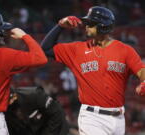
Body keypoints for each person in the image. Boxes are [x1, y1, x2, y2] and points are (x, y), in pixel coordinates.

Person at [41, 6, 145, 135]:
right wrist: (60, 26)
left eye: (90, 23)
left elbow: (141, 71)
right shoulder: (77, 50)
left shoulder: (125, 51)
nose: (86, 26)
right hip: (92, 118)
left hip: (118, 118)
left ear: (103, 26)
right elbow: (45, 49)